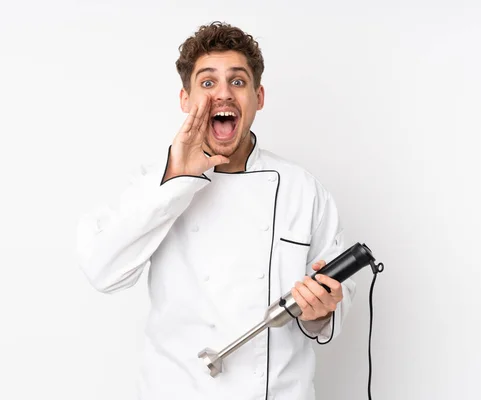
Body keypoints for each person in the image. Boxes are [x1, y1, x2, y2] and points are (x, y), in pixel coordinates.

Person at [76, 21, 356, 400]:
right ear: (185, 100)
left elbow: (333, 298)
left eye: (237, 82)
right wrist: (175, 179)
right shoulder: (152, 184)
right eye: (207, 83)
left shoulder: (302, 189)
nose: (223, 94)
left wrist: (320, 309)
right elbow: (103, 271)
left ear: (258, 97)